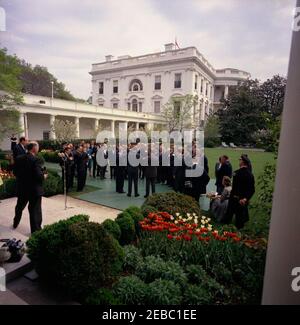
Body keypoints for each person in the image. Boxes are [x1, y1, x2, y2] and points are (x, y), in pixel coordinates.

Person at [13, 142, 47, 233]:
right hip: (34, 190)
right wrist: (44, 176)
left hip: (22, 188)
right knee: (35, 210)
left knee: (19, 207)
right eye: (38, 147)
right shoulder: (35, 160)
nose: (38, 148)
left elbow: (15, 173)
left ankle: (15, 222)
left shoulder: (19, 158)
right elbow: (39, 176)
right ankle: (36, 231)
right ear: (34, 148)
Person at [223, 155, 255, 229]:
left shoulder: (236, 173)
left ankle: (225, 231)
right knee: (240, 220)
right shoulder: (250, 174)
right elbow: (252, 189)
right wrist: (245, 199)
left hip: (235, 199)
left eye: (240, 159)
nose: (239, 161)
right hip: (242, 200)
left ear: (243, 162)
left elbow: (235, 188)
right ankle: (238, 233)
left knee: (228, 216)